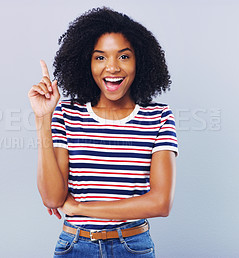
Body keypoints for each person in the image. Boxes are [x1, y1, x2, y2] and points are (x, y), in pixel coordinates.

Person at [28, 7, 178, 257]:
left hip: (133, 247)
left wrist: (80, 208)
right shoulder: (68, 114)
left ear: (139, 61)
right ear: (86, 63)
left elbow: (160, 203)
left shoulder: (158, 117)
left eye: (123, 56)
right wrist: (43, 118)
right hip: (75, 246)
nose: (112, 68)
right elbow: (53, 199)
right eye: (100, 57)